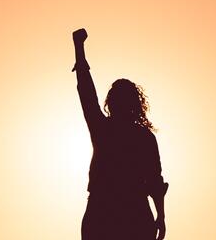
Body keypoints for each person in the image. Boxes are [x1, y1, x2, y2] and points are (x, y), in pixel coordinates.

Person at [72, 28, 168, 240]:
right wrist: (161, 215)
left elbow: (86, 93)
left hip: (111, 212)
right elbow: (155, 182)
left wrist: (79, 49)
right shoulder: (141, 136)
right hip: (123, 212)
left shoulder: (104, 129)